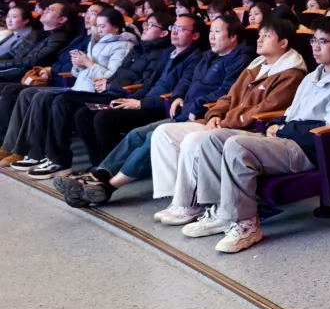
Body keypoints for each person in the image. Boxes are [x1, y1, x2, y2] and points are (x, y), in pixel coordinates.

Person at [167, 16, 330, 252]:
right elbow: (291, 113)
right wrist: (277, 124)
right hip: (286, 138)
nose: (315, 47)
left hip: (307, 150)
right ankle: (220, 212)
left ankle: (247, 224)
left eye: (323, 41)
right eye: (313, 40)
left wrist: (283, 129)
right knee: (212, 138)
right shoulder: (312, 77)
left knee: (237, 146)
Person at [59, 15, 251, 205]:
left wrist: (197, 104)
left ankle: (107, 186)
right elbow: (187, 81)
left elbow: (227, 92)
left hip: (201, 116)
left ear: (233, 36)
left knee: (153, 136)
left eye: (217, 32)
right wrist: (178, 95)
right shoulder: (208, 56)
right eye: (211, 31)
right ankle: (100, 174)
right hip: (183, 112)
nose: (212, 36)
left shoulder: (240, 60)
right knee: (136, 134)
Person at [7, 7, 137, 178]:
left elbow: (111, 78)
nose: (99, 30)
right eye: (97, 26)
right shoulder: (96, 42)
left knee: (60, 101)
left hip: (100, 93)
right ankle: (36, 153)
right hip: (80, 88)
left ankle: (59, 160)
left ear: (116, 27)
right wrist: (78, 66)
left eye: (103, 26)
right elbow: (81, 73)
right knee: (40, 96)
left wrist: (88, 63)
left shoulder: (124, 45)